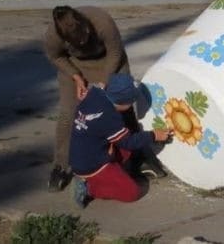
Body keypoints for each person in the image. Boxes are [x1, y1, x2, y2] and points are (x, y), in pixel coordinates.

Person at [43, 5, 164, 191]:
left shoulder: (102, 22)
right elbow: (56, 57)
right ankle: (60, 165)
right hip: (76, 66)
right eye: (77, 43)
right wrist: (75, 76)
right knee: (69, 113)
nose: (83, 43)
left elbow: (115, 52)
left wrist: (103, 84)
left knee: (123, 105)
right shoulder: (53, 35)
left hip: (109, 61)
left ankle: (137, 155)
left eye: (85, 38)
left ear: (85, 24)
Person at [69, 73, 172, 206]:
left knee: (124, 147)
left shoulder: (93, 94)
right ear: (125, 103)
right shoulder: (109, 117)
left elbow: (98, 87)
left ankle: (112, 173)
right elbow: (129, 142)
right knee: (131, 192)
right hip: (92, 166)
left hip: (79, 156)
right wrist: (154, 135)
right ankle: (89, 188)